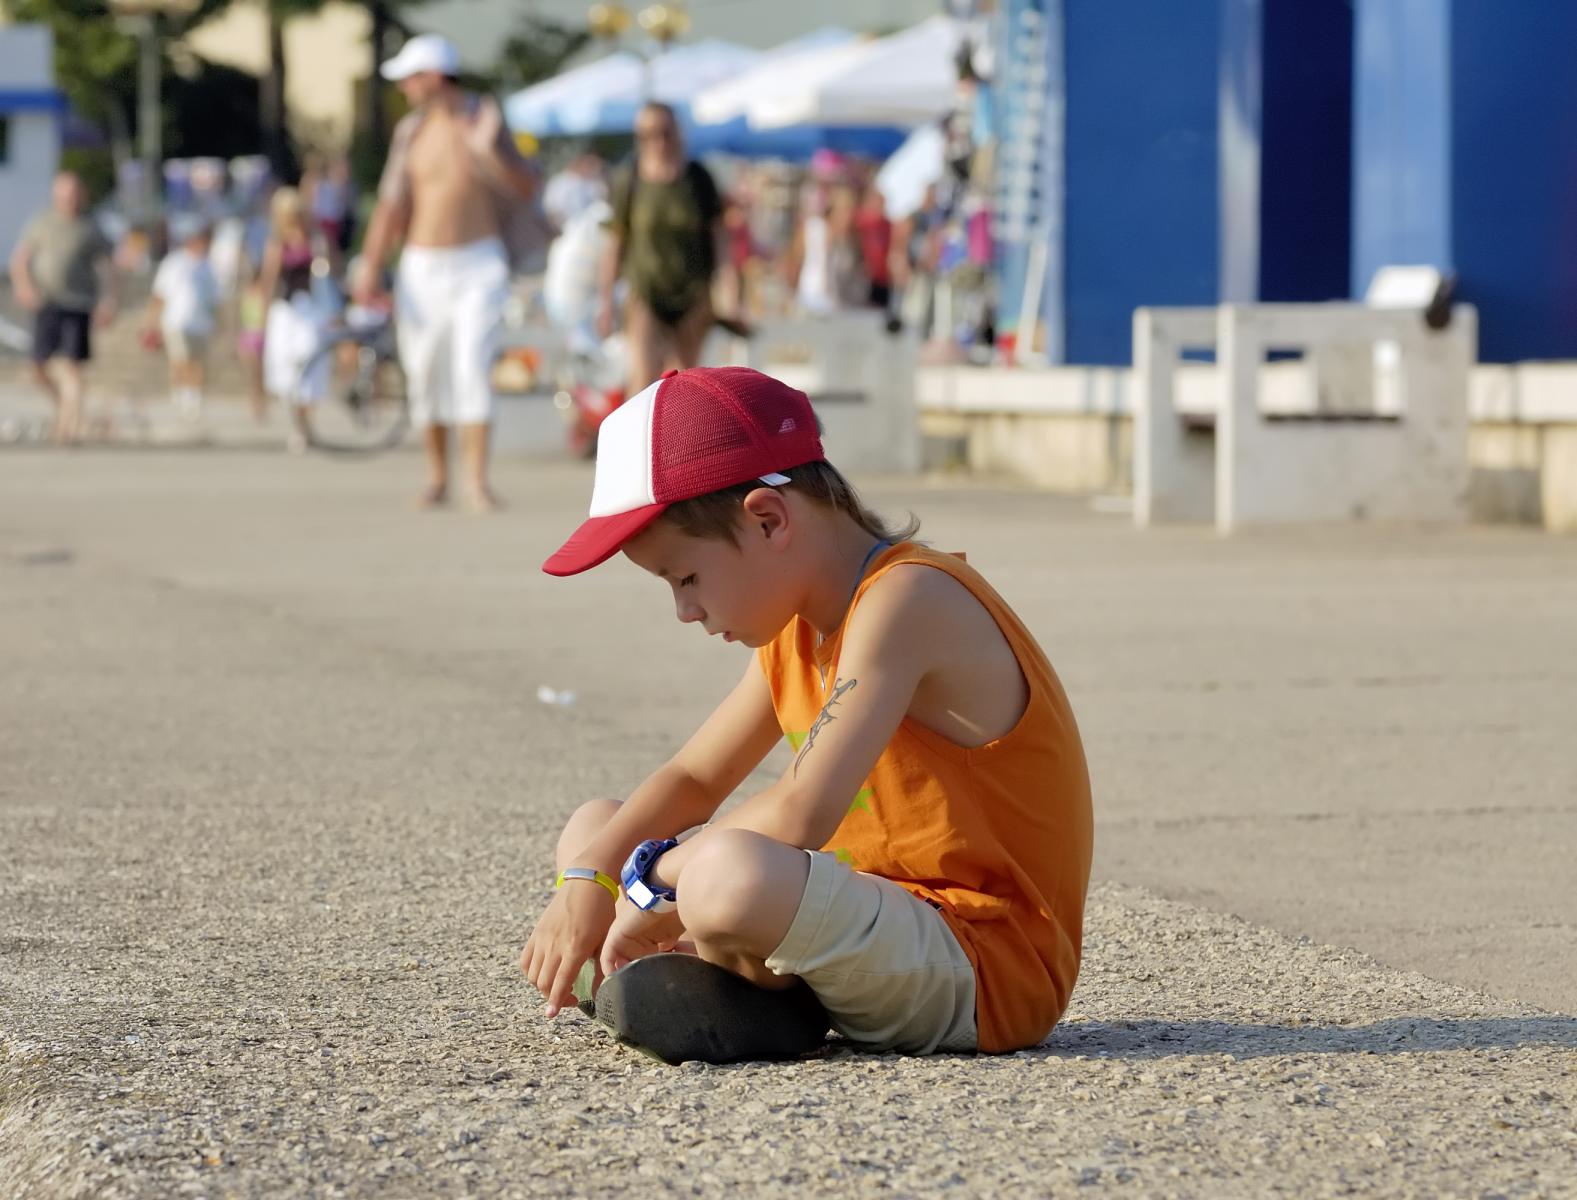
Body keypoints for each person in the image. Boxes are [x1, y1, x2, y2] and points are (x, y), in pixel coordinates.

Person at [521, 367, 1094, 1064]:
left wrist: (650, 881)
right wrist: (590, 875)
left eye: (686, 577)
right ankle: (741, 989)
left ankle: (734, 985)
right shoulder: (796, 623)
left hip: (980, 961)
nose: (684, 610)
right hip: (868, 917)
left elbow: (801, 812)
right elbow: (695, 777)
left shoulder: (907, 599)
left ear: (768, 519)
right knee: (596, 826)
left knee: (724, 876)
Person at [354, 34, 538, 513]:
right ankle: (437, 477)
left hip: (479, 261)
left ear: (434, 76)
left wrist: (486, 150)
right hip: (422, 265)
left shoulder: (485, 120)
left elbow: (526, 188)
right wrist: (370, 265)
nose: (404, 87)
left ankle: (476, 480)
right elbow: (392, 204)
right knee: (425, 369)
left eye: (410, 78)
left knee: (472, 365)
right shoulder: (411, 131)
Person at [597, 102, 726, 396]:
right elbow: (616, 243)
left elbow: (720, 237)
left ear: (678, 133)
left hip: (692, 292)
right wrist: (605, 301)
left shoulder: (698, 179)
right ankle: (639, 427)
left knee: (686, 381)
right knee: (642, 380)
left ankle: (680, 428)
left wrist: (726, 288)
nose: (659, 142)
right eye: (649, 135)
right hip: (646, 290)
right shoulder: (630, 180)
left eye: (665, 133)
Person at [7, 171, 118, 444]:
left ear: (82, 195)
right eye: (65, 193)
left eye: (74, 193)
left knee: (72, 367)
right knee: (37, 367)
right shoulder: (42, 222)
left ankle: (69, 429)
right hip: (46, 302)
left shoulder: (90, 226)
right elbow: (20, 260)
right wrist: (23, 286)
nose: (70, 199)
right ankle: (63, 405)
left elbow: (108, 266)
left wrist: (109, 300)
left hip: (78, 303)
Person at [258, 187, 330, 452]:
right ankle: (299, 426)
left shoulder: (316, 240)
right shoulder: (277, 244)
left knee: (311, 360)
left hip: (311, 309)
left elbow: (329, 274)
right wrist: (261, 320)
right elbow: (268, 282)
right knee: (286, 369)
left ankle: (307, 421)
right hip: (286, 312)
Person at [144, 217, 219, 421]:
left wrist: (218, 323)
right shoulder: (174, 263)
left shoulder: (208, 266)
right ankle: (182, 393)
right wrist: (151, 321)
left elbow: (215, 298)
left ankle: (193, 396)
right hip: (176, 322)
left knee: (197, 362)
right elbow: (159, 294)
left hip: (202, 323)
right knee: (181, 359)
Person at [543, 151, 607, 232]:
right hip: (566, 231)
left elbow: (600, 206)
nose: (593, 169)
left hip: (589, 230)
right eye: (590, 164)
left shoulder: (594, 184)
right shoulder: (559, 182)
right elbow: (553, 211)